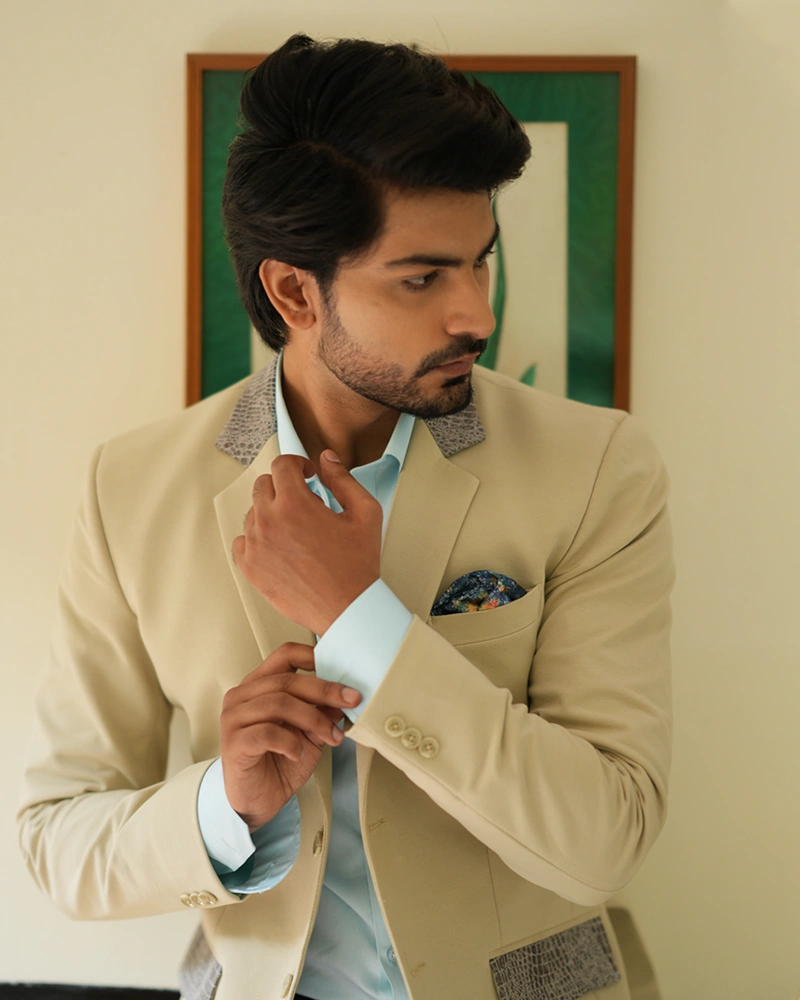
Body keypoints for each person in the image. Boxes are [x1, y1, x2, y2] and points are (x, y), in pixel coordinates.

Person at [18, 34, 673, 1000]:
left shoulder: (596, 468)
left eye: (481, 264)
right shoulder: (131, 489)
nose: (477, 316)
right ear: (294, 291)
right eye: (423, 278)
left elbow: (607, 838)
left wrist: (362, 622)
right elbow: (57, 839)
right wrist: (224, 805)